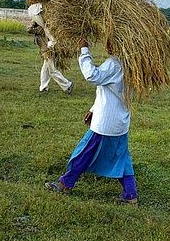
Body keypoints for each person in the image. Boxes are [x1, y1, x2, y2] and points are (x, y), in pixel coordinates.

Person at [45, 37, 137, 204]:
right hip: (119, 122)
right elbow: (110, 90)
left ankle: (65, 184)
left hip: (106, 124)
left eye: (110, 41)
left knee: (84, 153)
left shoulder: (114, 64)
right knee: (121, 158)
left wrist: (84, 50)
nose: (106, 45)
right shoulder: (131, 65)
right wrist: (93, 109)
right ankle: (131, 195)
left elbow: (92, 76)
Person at [27, 21, 74, 94]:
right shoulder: (42, 28)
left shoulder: (41, 28)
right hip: (46, 53)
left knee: (52, 71)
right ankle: (43, 87)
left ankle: (68, 85)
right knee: (44, 71)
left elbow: (29, 30)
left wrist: (33, 23)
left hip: (49, 52)